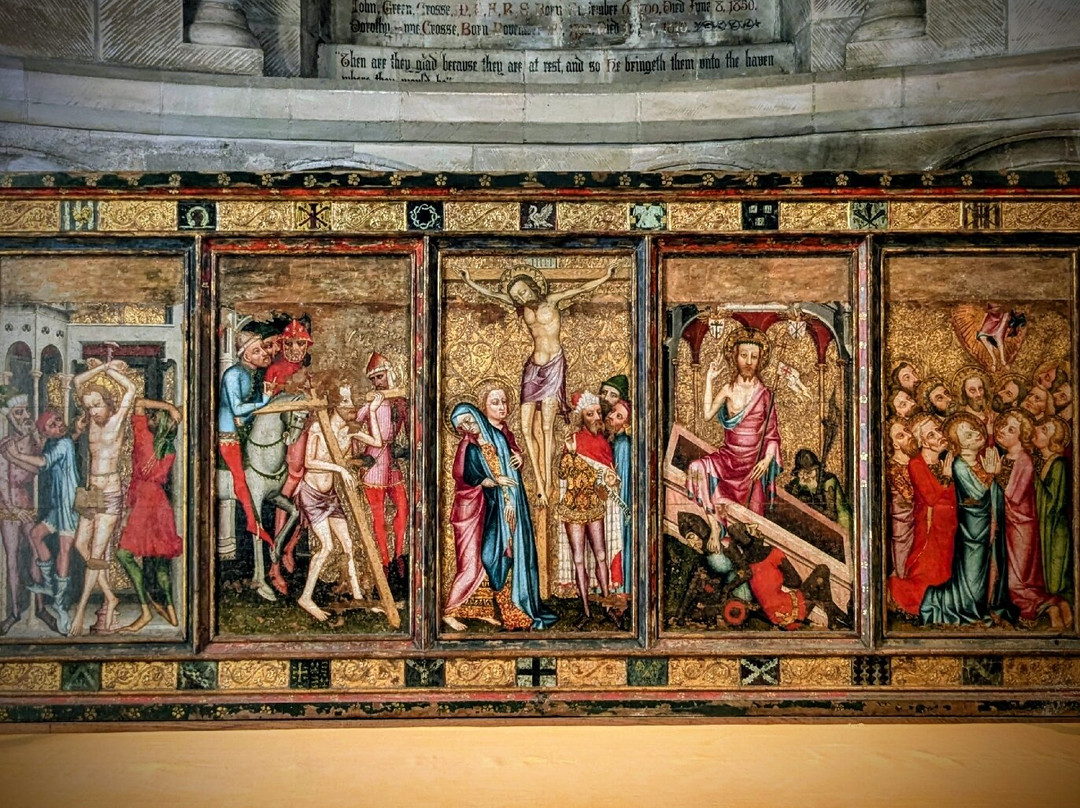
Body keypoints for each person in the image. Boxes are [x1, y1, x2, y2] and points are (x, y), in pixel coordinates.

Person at [459, 264, 616, 505]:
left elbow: (581, 288)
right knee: (525, 428)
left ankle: (548, 482)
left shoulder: (552, 301)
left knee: (546, 427)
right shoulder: (522, 308)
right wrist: (470, 281)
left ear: (532, 286)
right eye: (517, 296)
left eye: (523, 291)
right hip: (533, 368)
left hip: (553, 366)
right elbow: (494, 295)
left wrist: (605, 275)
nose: (522, 297)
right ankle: (540, 485)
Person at [465, 385, 557, 630]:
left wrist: (519, 457)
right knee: (491, 554)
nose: (502, 407)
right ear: (483, 407)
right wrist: (491, 481)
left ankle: (517, 610)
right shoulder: (476, 438)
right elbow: (470, 473)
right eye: (495, 402)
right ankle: (505, 607)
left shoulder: (505, 433)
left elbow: (511, 460)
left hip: (513, 501)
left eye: (504, 401)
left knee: (513, 552)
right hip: (491, 505)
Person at [295, 383, 382, 622]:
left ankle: (358, 596)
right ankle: (305, 598)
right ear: (333, 403)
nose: (350, 405)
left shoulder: (350, 430)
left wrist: (372, 411)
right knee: (327, 546)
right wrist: (340, 469)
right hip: (312, 494)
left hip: (330, 495)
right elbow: (310, 462)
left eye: (351, 400)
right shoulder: (318, 428)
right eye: (344, 401)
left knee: (348, 544)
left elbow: (377, 442)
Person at [442, 403, 528, 631]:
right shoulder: (467, 447)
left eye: (469, 419)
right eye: (462, 425)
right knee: (471, 564)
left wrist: (517, 462)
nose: (468, 426)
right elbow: (463, 476)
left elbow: (506, 464)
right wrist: (491, 481)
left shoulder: (494, 439)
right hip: (468, 511)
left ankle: (482, 611)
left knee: (485, 560)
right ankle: (449, 611)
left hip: (490, 507)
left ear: (477, 415)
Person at [68, 360, 137, 635]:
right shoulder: (90, 423)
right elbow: (76, 382)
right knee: (79, 544)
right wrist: (102, 366)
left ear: (108, 404)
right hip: (91, 492)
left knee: (96, 553)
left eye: (96, 405)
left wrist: (110, 370)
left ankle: (81, 612)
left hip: (109, 491)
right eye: (88, 407)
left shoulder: (116, 421)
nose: (92, 411)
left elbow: (131, 390)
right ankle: (110, 595)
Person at [919, 413, 1008, 626]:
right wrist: (992, 476)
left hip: (986, 527)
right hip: (971, 531)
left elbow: (992, 492)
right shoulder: (959, 465)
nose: (975, 434)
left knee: (987, 572)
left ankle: (983, 607)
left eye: (974, 430)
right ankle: (962, 608)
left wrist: (993, 478)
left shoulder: (979, 463)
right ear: (959, 444)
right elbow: (976, 495)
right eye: (968, 434)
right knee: (972, 578)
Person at [687, 327, 781, 521]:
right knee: (696, 467)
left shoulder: (765, 394)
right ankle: (715, 527)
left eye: (754, 357)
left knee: (752, 520)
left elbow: (772, 435)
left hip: (753, 466)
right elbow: (707, 415)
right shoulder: (728, 389)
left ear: (760, 360)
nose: (749, 362)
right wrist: (709, 379)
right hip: (728, 461)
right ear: (735, 357)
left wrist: (766, 460)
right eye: (744, 355)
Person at [994, 409, 1070, 627]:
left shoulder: (1024, 459)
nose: (1003, 431)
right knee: (1012, 580)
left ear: (1022, 436)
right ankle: (1055, 605)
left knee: (1018, 582)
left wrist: (995, 474)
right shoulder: (1006, 457)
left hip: (1021, 527)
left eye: (1011, 429)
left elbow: (1013, 496)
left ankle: (1049, 608)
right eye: (1003, 425)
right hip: (1009, 526)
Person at [8, 407, 78, 635]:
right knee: (36, 535)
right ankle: (48, 584)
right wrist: (12, 457)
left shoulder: (64, 444)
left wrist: (16, 456)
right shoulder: (54, 443)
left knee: (64, 551)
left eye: (58, 420)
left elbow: (42, 462)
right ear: (46, 433)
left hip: (68, 506)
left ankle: (60, 604)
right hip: (58, 507)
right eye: (52, 425)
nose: (58, 425)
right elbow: (39, 465)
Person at [115, 399, 183, 633]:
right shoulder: (170, 450)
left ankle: (145, 611)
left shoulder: (144, 436)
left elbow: (139, 402)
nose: (150, 417)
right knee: (159, 558)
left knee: (123, 554)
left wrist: (169, 407)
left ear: (156, 424)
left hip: (144, 502)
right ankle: (172, 612)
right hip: (159, 503)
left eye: (153, 417)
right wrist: (173, 411)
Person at [555, 391, 621, 625]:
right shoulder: (573, 440)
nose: (596, 418)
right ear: (581, 417)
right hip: (573, 507)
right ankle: (586, 610)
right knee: (579, 559)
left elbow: (610, 477)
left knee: (601, 555)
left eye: (598, 413)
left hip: (594, 505)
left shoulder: (603, 443)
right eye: (590, 414)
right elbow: (563, 473)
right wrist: (571, 453)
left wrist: (611, 480)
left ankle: (607, 605)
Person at [888, 415, 956, 618]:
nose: (939, 436)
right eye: (931, 435)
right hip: (929, 528)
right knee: (927, 572)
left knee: (945, 569)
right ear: (923, 442)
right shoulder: (917, 464)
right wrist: (947, 478)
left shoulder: (945, 460)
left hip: (947, 527)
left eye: (938, 430)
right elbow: (932, 497)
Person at [0, 394, 54, 635]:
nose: (24, 416)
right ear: (9, 418)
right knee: (12, 559)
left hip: (27, 504)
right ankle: (13, 611)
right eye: (18, 413)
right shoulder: (5, 444)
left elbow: (37, 468)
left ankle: (40, 606)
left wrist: (33, 442)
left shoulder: (32, 443)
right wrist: (12, 509)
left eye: (25, 411)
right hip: (8, 508)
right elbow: (2, 481)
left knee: (35, 554)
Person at [354, 351, 409, 578]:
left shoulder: (400, 402)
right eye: (374, 379)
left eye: (381, 376)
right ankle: (385, 562)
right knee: (378, 516)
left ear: (390, 374)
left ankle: (399, 555)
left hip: (392, 463)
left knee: (403, 509)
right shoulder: (369, 405)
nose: (377, 382)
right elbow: (350, 426)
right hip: (374, 464)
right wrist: (356, 453)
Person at [218, 329, 272, 544]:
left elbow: (245, 414)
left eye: (262, 349)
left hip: (240, 431)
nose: (263, 354)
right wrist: (265, 401)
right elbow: (238, 408)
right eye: (256, 351)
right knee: (241, 478)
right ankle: (252, 522)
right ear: (246, 356)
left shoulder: (250, 373)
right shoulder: (233, 374)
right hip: (228, 435)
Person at [1033, 416, 1071, 598]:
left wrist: (1033, 479)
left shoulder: (1059, 464)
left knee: (1054, 584)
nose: (1036, 429)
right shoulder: (1036, 460)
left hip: (1053, 527)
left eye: (1044, 430)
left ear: (1053, 440)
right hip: (1039, 523)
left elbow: (1053, 502)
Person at [784, 448, 851, 530]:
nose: (805, 477)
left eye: (809, 473)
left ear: (817, 470)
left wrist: (809, 505)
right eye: (801, 473)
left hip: (841, 525)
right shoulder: (800, 481)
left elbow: (832, 515)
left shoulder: (829, 481)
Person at [606, 398, 632, 597]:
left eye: (619, 416)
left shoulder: (622, 444)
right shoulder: (614, 440)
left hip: (618, 504)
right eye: (613, 411)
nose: (612, 416)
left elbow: (620, 482)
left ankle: (619, 590)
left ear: (626, 424)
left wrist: (617, 507)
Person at [885, 416, 917, 578]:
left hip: (918, 520)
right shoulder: (892, 467)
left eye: (907, 431)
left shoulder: (916, 461)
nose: (908, 436)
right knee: (903, 567)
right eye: (901, 436)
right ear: (895, 445)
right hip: (903, 524)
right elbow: (910, 495)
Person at [263, 317, 312, 394]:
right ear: (282, 345)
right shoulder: (273, 370)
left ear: (307, 345)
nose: (294, 349)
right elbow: (267, 397)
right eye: (288, 343)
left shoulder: (312, 367)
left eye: (300, 343)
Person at [954, 367, 994, 437]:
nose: (978, 394)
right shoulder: (963, 419)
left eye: (980, 388)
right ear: (964, 393)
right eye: (972, 390)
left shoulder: (990, 414)